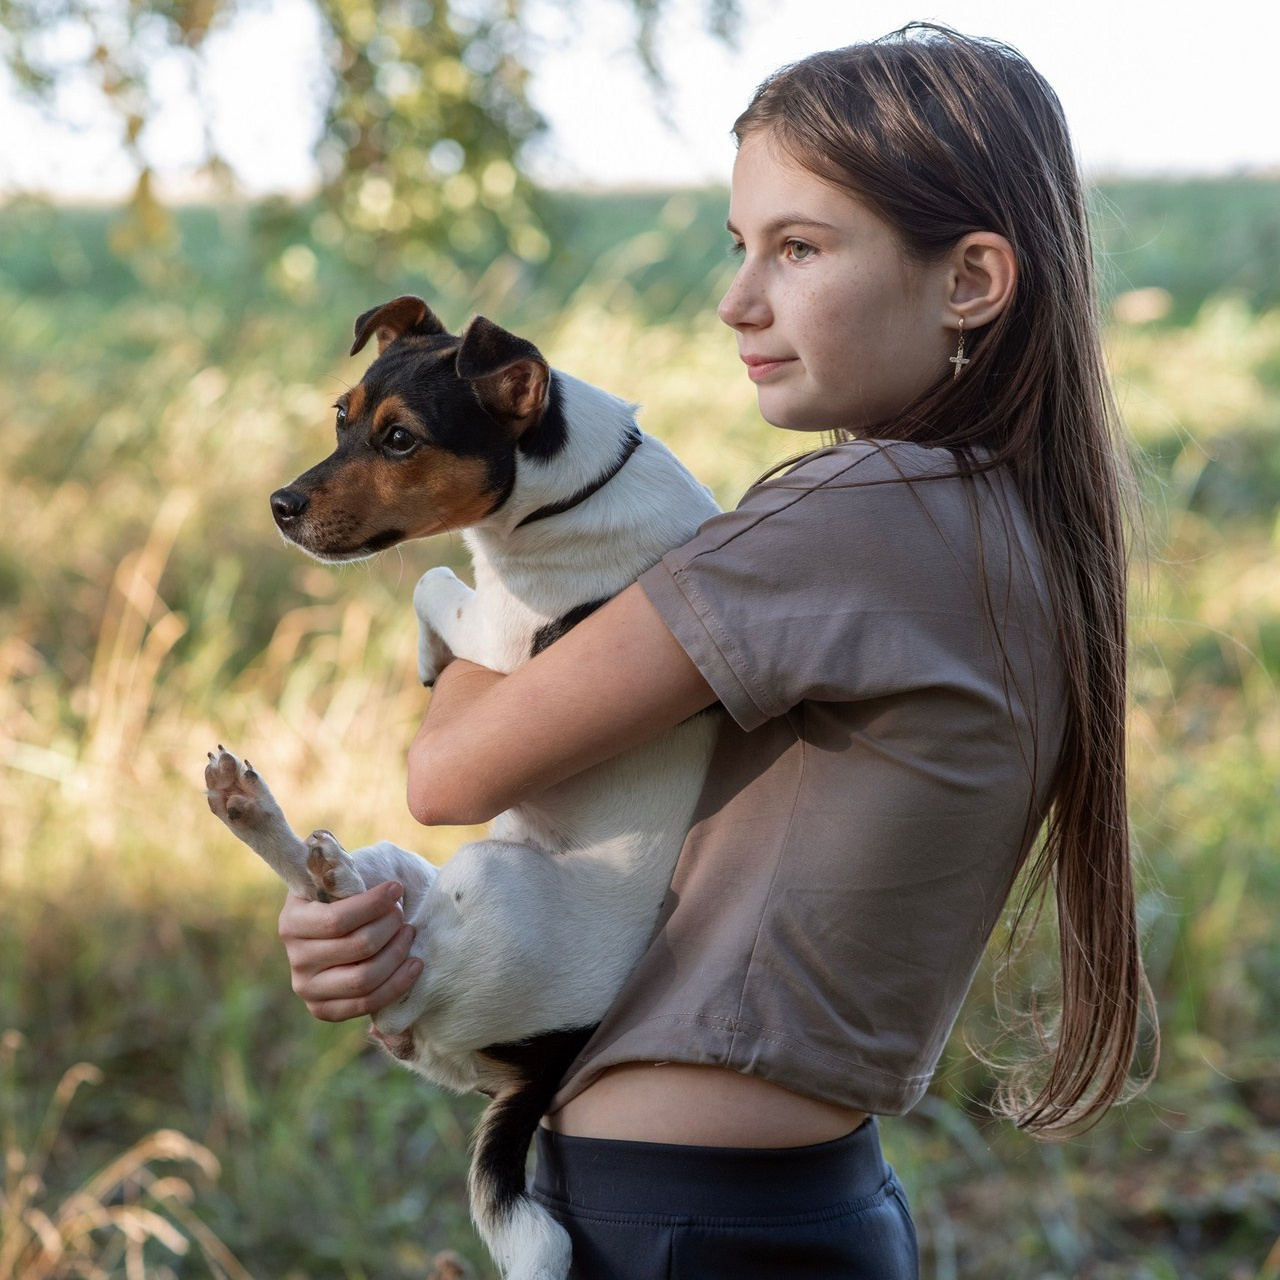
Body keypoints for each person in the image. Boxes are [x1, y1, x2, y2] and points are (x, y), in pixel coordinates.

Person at [276, 24, 1152, 1278]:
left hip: (676, 1218)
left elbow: (452, 775)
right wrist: (402, 943)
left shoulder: (849, 516)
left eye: (796, 248)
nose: (737, 300)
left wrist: (469, 550)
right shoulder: (1010, 514)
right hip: (813, 1201)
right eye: (737, 246)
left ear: (968, 280)